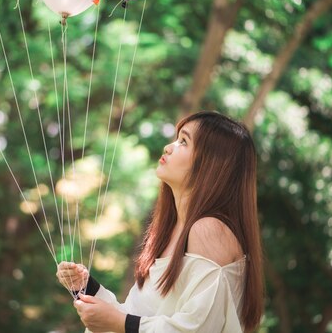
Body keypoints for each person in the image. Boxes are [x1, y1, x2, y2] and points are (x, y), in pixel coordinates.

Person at [56, 111, 264, 332]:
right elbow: (135, 316)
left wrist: (119, 323)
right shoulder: (172, 230)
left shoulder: (209, 230)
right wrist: (85, 287)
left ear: (211, 164)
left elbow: (199, 327)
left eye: (183, 141)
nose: (168, 147)